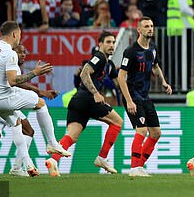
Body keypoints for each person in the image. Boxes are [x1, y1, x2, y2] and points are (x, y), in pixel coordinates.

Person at [0, 21, 68, 176]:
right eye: (20, 35)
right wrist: (35, 72)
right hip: (4, 98)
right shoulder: (9, 53)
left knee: (16, 123)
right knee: (40, 103)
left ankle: (21, 167)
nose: (20, 38)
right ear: (14, 34)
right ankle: (52, 143)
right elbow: (13, 81)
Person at [45, 31, 123, 176]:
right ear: (100, 44)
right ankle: (102, 158)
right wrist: (96, 93)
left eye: (113, 42)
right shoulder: (99, 57)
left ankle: (53, 160)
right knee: (117, 122)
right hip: (88, 98)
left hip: (78, 100)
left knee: (72, 136)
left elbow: (117, 81)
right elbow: (84, 73)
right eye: (108, 42)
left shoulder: (109, 64)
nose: (111, 45)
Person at [118, 17, 172, 177]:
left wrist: (163, 82)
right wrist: (128, 100)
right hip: (132, 96)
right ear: (139, 30)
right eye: (146, 26)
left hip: (144, 96)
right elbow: (121, 77)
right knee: (141, 129)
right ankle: (134, 168)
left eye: (152, 26)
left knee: (156, 133)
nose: (150, 29)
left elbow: (155, 66)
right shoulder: (131, 51)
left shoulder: (153, 49)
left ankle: (139, 166)